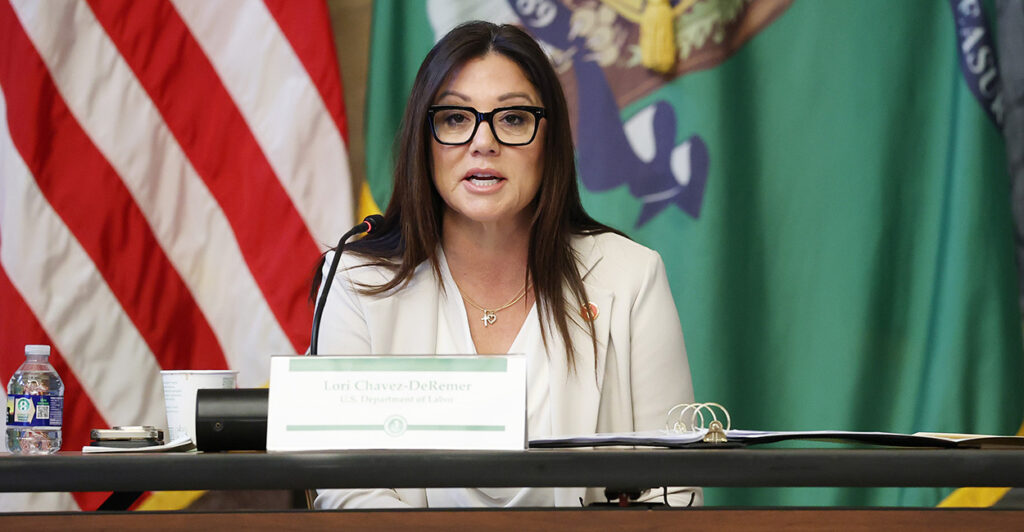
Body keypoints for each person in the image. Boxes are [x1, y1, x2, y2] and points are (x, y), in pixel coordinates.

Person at [312, 20, 700, 509]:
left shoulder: (631, 276)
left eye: (513, 118)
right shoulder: (356, 282)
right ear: (423, 137)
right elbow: (348, 493)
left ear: (550, 139)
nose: (482, 142)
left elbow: (674, 491)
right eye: (455, 118)